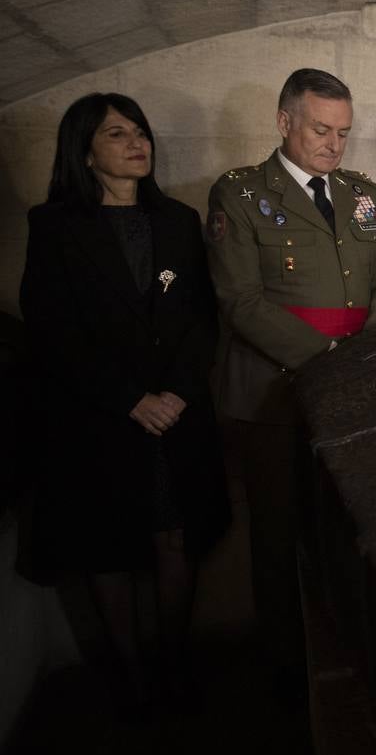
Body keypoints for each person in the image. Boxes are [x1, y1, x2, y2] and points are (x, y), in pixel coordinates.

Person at [20, 93, 229, 708]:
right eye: (117, 134)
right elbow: (52, 330)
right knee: (107, 547)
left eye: (140, 131)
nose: (137, 143)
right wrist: (131, 399)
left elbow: (202, 317)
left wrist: (179, 393)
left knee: (175, 535)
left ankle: (172, 664)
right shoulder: (55, 226)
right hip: (100, 419)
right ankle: (131, 678)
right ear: (84, 152)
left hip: (176, 415)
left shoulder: (178, 220)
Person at [206, 68, 376, 685]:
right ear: (284, 121)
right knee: (277, 532)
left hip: (354, 388)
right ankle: (285, 670)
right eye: (321, 130)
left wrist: (362, 357)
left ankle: (345, 663)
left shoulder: (363, 193)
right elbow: (240, 302)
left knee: (344, 528)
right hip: (274, 395)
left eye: (343, 133)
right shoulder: (241, 194)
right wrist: (329, 355)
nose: (333, 145)